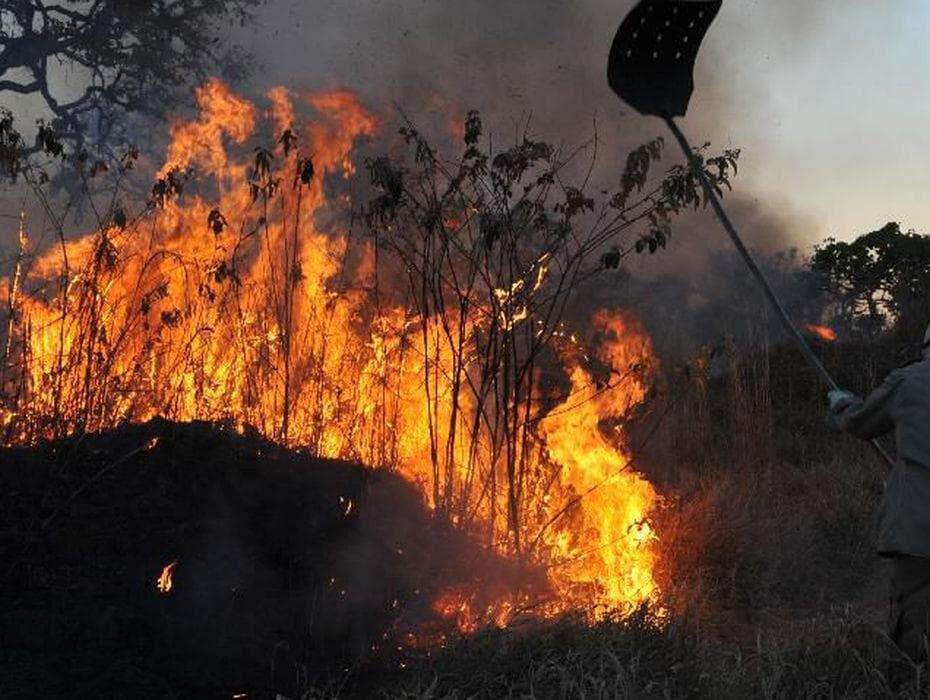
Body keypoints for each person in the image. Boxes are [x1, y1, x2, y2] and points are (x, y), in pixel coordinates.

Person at [829, 322, 930, 663]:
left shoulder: (909, 381)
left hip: (918, 530)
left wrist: (843, 404)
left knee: (913, 631)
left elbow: (860, 422)